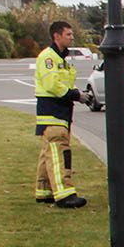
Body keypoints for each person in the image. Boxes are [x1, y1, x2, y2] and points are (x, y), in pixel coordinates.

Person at [33, 21, 86, 207]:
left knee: (48, 153)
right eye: (69, 34)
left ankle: (44, 191)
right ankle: (65, 195)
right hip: (53, 113)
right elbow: (52, 85)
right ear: (57, 36)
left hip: (58, 113)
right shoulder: (48, 58)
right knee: (59, 153)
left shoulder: (59, 58)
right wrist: (76, 95)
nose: (72, 37)